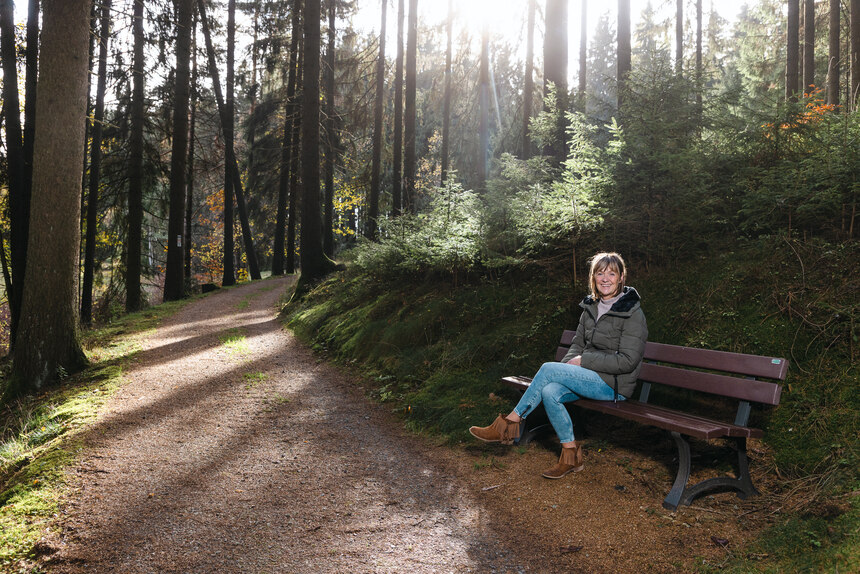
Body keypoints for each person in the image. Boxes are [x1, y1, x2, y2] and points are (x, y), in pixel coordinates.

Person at [469, 252, 648, 479]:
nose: (605, 279)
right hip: (588, 377)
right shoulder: (590, 308)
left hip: (614, 384)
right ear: (593, 277)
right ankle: (570, 456)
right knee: (549, 390)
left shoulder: (632, 313)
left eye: (611, 273)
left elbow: (628, 361)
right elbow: (576, 346)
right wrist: (566, 371)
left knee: (548, 368)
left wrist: (583, 361)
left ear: (621, 277)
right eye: (600, 273)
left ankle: (508, 424)